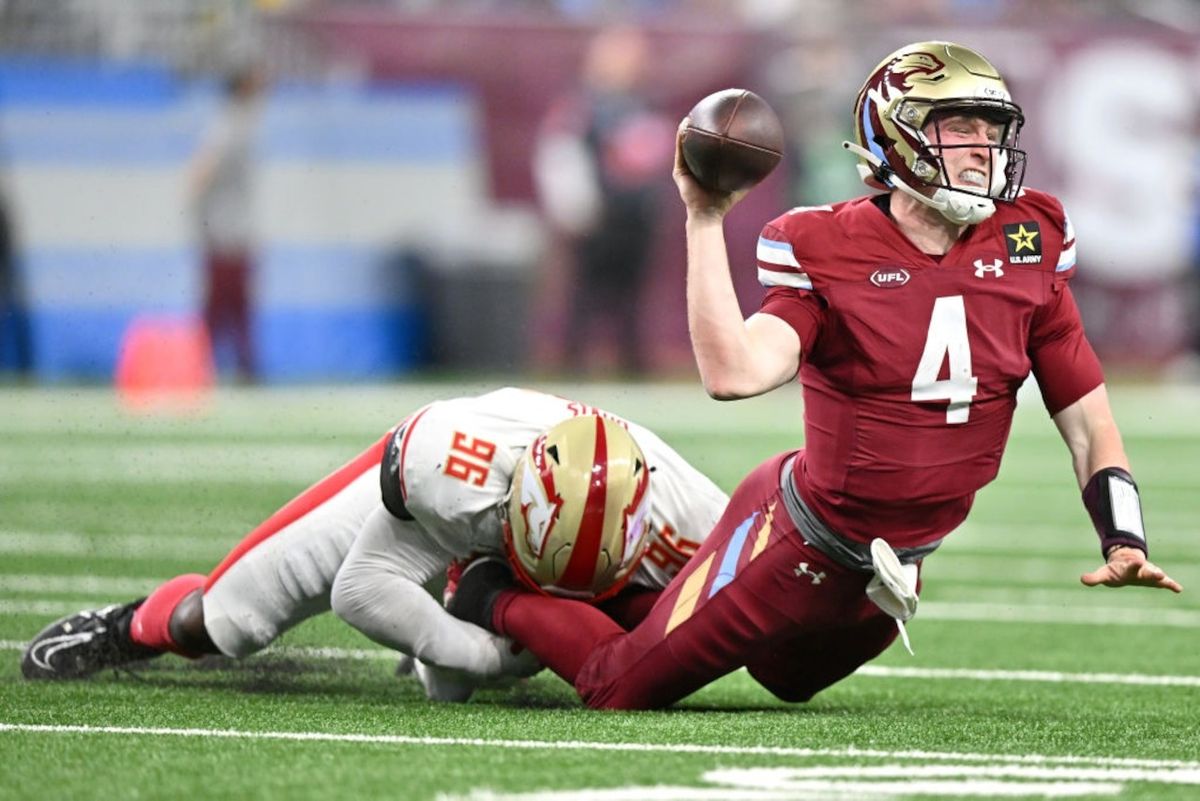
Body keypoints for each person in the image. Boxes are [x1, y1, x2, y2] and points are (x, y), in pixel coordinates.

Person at [447, 41, 1184, 710]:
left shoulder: (1032, 238)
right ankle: (486, 590)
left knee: (784, 678)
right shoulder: (827, 244)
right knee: (618, 686)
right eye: (960, 130)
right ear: (899, 137)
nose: (982, 150)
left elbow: (1088, 421)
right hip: (795, 537)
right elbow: (733, 373)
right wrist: (703, 218)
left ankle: (656, 605)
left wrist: (1123, 537)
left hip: (894, 573)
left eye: (992, 132)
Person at [21, 387, 728, 702]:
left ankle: (468, 612)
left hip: (497, 541)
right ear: (517, 499)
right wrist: (469, 644)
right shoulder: (450, 469)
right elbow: (360, 587)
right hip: (439, 523)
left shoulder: (701, 525)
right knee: (226, 621)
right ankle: (130, 626)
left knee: (475, 679)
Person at [532, 25, 675, 375]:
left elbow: (656, 155)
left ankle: (633, 368)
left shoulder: (646, 102)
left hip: (635, 217)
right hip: (598, 215)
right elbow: (560, 153)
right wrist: (574, 205)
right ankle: (572, 367)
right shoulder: (582, 104)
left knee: (631, 301)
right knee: (584, 297)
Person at [188, 63, 265, 381]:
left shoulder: (235, 123)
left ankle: (227, 368)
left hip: (229, 229)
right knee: (225, 308)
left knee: (228, 308)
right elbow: (201, 171)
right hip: (226, 231)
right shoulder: (230, 124)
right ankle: (213, 368)